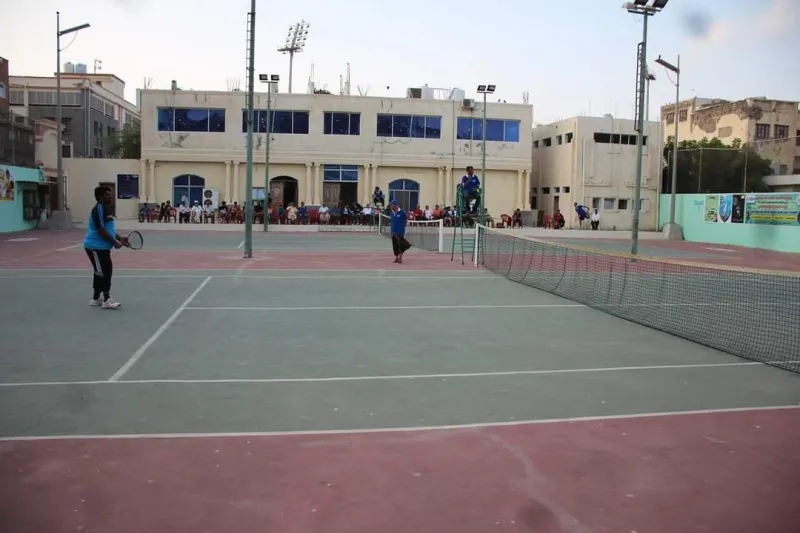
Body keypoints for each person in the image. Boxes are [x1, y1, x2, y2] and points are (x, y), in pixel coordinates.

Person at [84, 186, 125, 309]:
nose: (110, 196)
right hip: (95, 247)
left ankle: (95, 299)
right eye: (107, 194)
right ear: (100, 197)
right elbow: (101, 230)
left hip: (102, 247)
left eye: (110, 194)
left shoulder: (105, 209)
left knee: (100, 272)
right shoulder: (98, 209)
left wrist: (119, 238)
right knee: (105, 271)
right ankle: (106, 300)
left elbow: (108, 229)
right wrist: (115, 242)